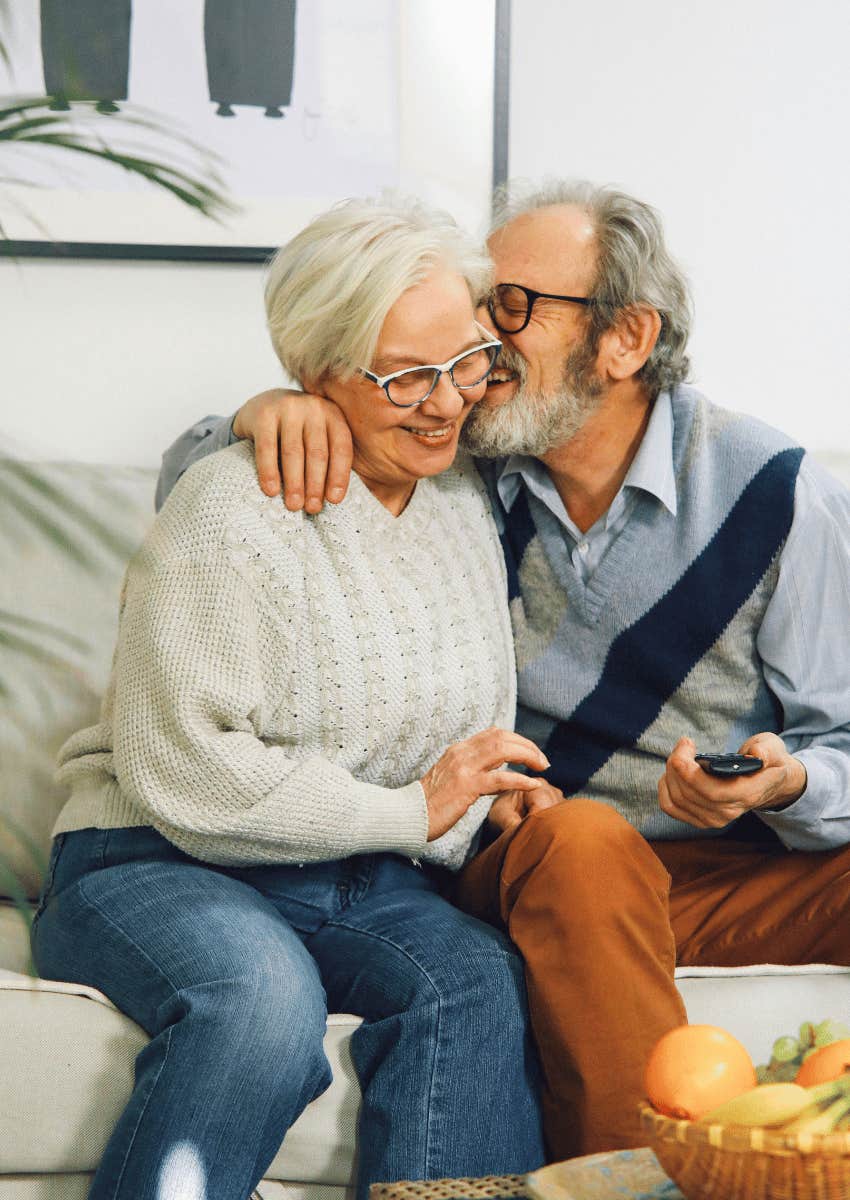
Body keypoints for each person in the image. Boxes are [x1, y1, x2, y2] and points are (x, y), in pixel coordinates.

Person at [160, 178, 850, 1162]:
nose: (474, 340)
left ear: (624, 340)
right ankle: (630, 1186)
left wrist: (789, 781)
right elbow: (197, 490)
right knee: (585, 840)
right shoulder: (454, 456)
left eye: (511, 307)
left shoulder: (773, 494)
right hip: (541, 861)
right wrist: (264, 413)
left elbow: (844, 744)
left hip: (723, 870)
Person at [31, 195, 550, 1200]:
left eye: (465, 363)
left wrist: (487, 801)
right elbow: (182, 766)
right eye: (405, 376)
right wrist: (413, 811)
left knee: (478, 982)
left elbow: (449, 736)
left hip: (361, 876)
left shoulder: (457, 505)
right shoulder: (233, 503)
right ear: (315, 375)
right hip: (157, 858)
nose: (446, 402)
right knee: (259, 1002)